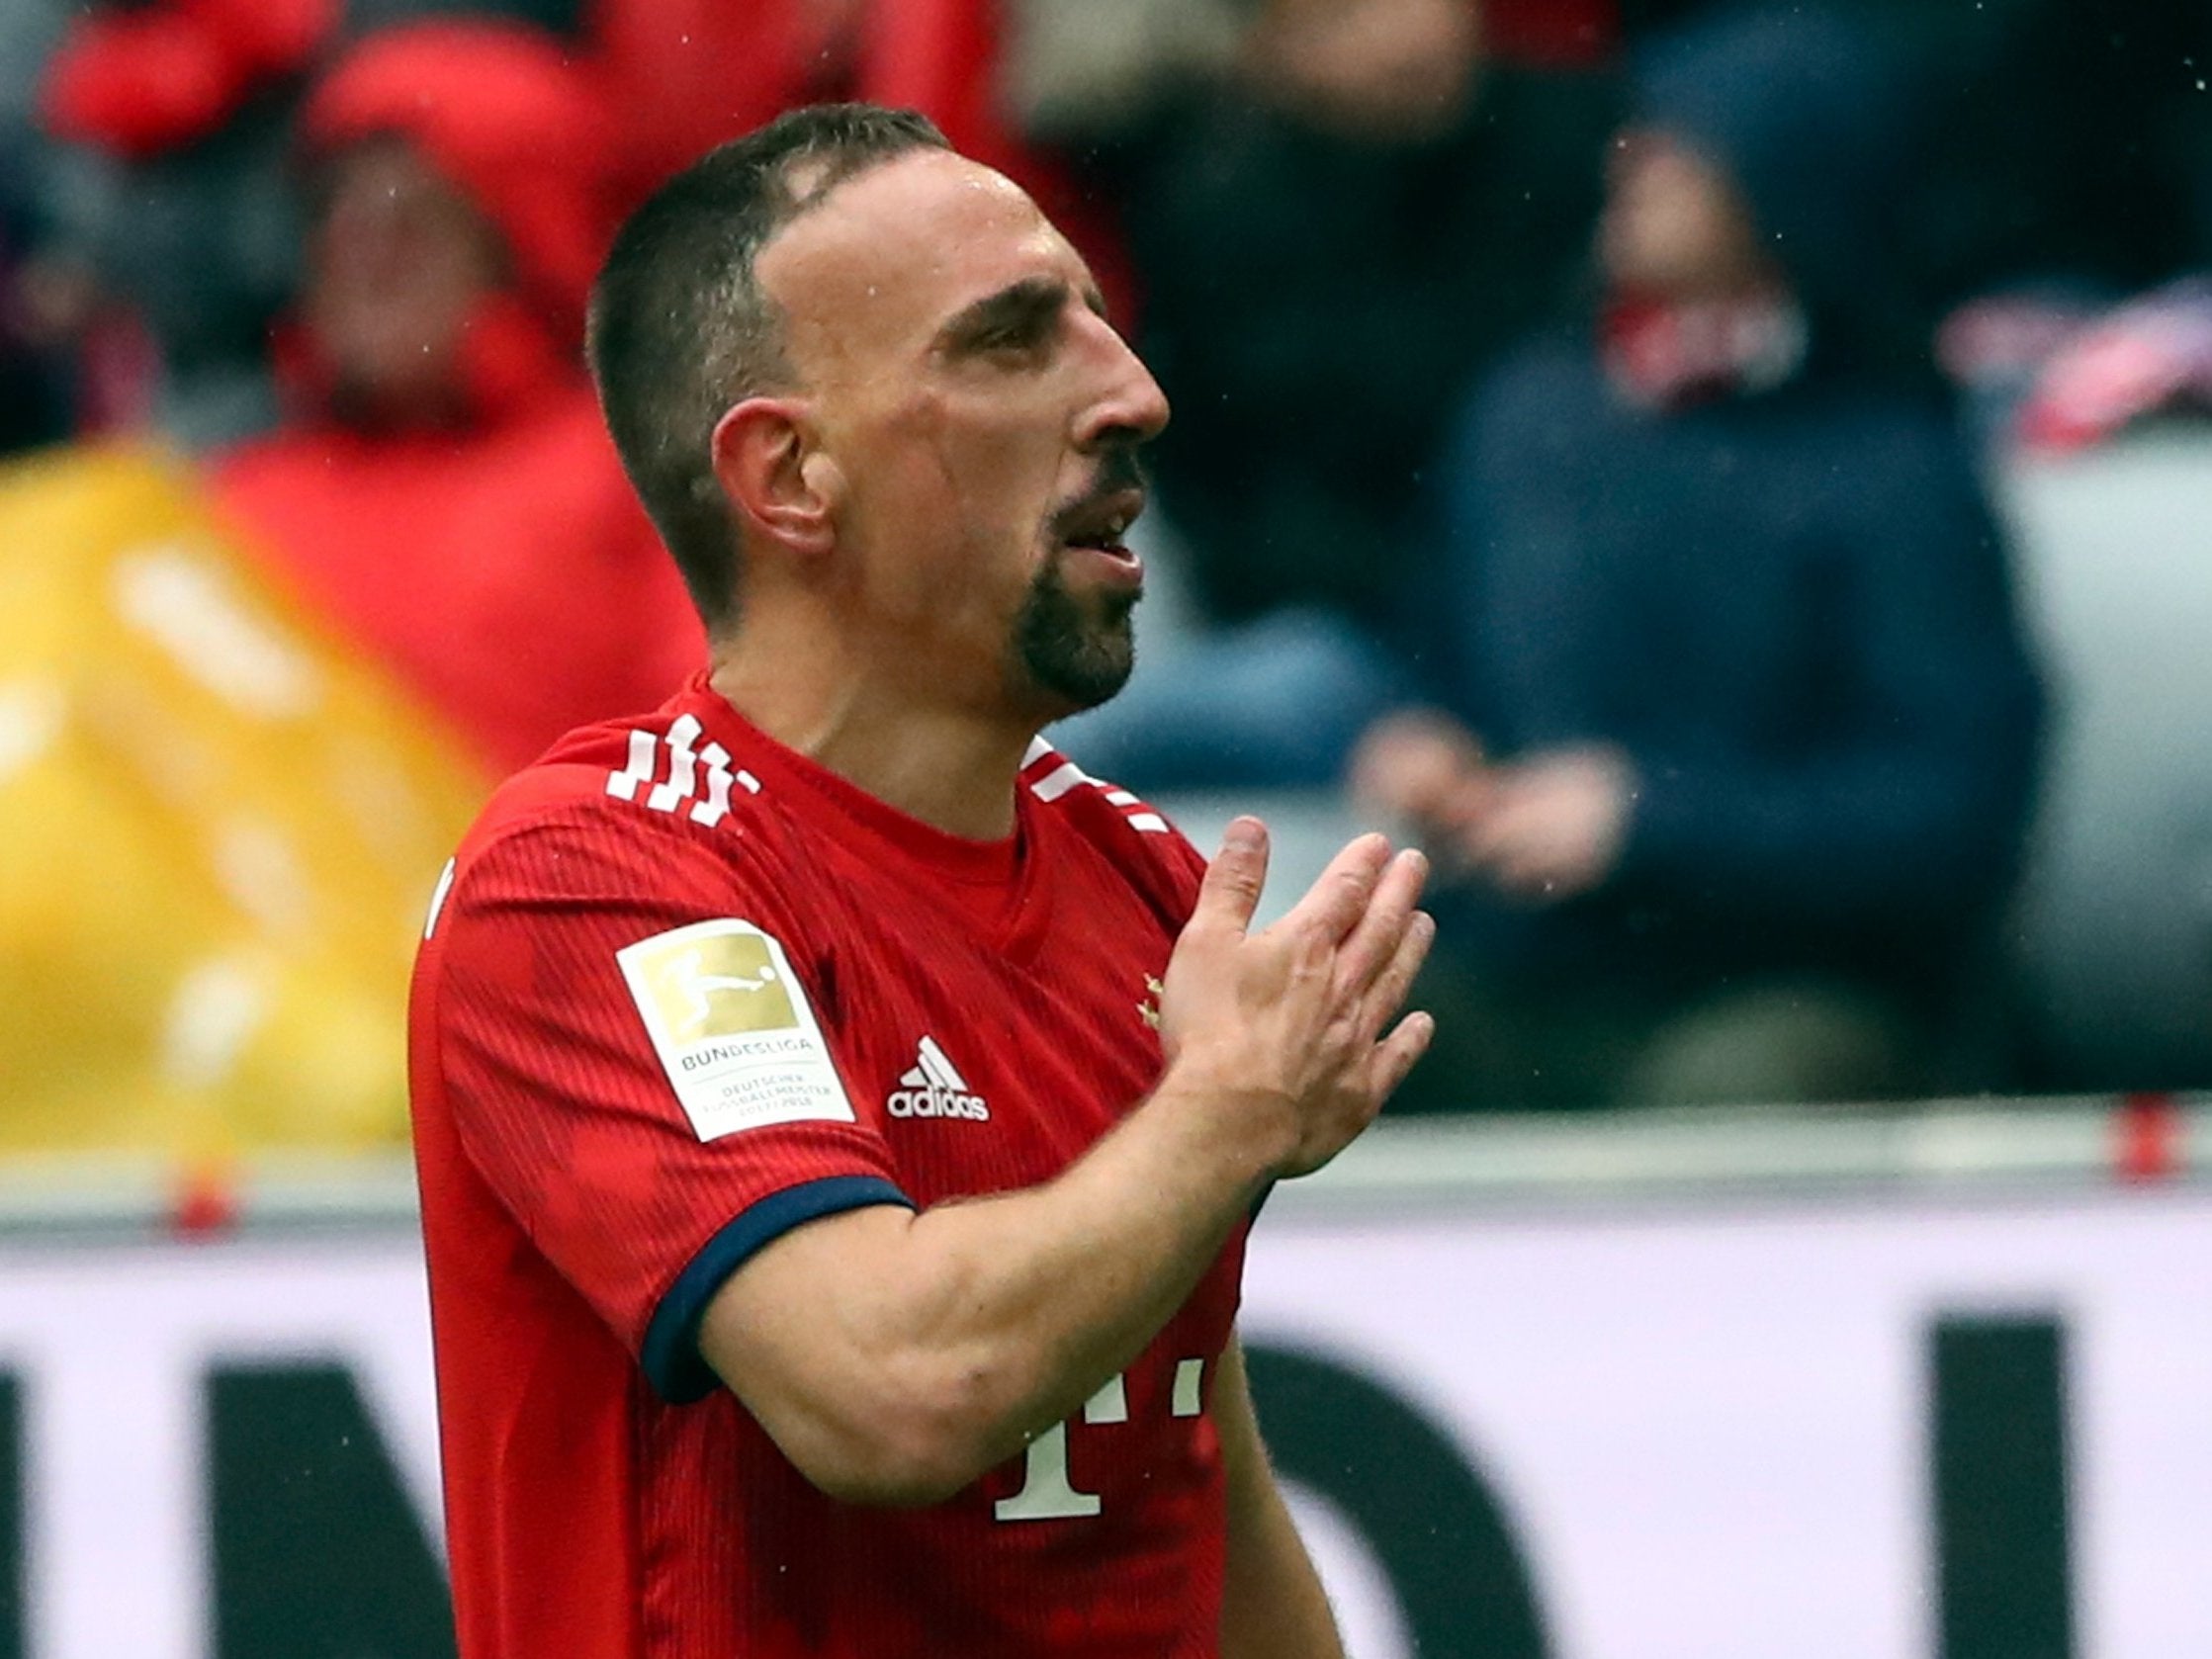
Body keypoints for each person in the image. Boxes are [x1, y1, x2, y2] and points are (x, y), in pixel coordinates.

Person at [407, 104, 1435, 1658]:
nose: (1135, 394)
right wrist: (1222, 1119)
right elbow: (886, 1390)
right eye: (1014, 342)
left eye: (1101, 318)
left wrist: (1210, 1130)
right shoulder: (599, 880)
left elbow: (1179, 1480)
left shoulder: (1140, 879)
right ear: (791, 475)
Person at [1354, 2, 2046, 1111]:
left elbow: (1955, 811)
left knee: (1731, 1091)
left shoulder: (1891, 467)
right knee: (1322, 1040)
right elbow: (1433, 647)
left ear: (1787, 187)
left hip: (1792, 986)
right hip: (1535, 967)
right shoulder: (1530, 412)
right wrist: (1419, 735)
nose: (1630, 160)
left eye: (1683, 140)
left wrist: (1647, 822)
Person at [213, 22, 702, 776]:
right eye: (339, 220)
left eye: (409, 220)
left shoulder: (640, 478)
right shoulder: (235, 500)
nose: (365, 258)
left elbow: (714, 764)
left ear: (526, 247)